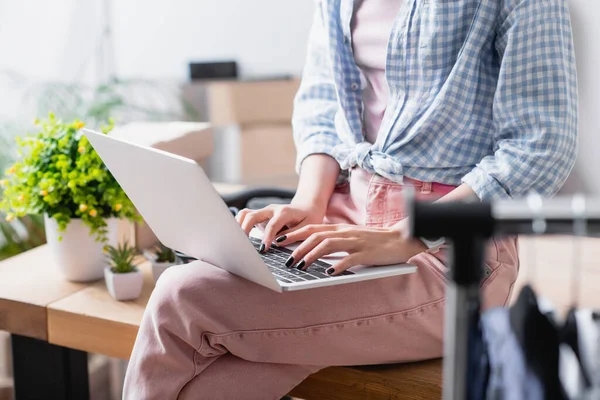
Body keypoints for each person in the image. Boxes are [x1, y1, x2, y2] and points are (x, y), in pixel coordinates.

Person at [124, 0, 577, 398]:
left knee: (181, 296)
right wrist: (309, 201)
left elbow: (541, 145)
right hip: (343, 214)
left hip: (452, 253)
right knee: (207, 385)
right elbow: (323, 100)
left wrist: (410, 234)